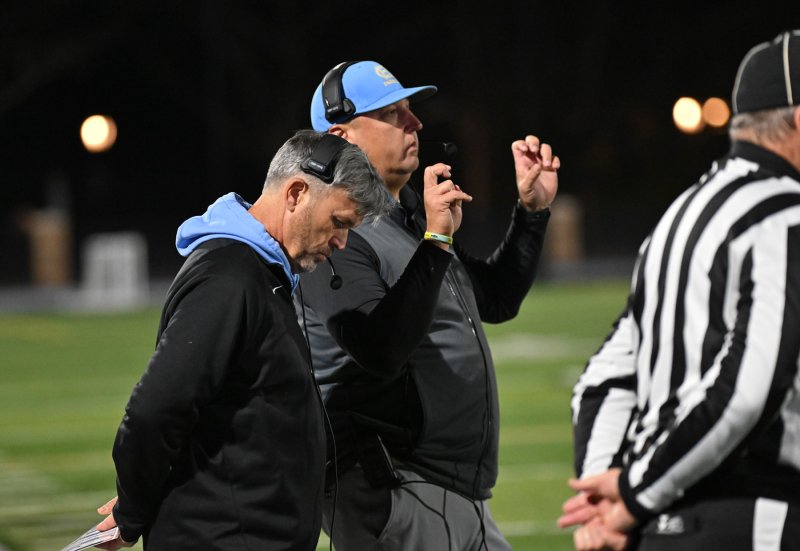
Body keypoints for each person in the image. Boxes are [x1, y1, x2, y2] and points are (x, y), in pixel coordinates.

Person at [299, 60, 560, 550]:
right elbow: (379, 348)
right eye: (392, 113)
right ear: (343, 135)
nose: (415, 122)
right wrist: (437, 238)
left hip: (442, 489)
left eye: (410, 109)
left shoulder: (405, 219)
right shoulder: (333, 231)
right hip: (395, 487)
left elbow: (495, 299)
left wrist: (532, 212)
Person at [90, 129, 390, 550]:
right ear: (296, 193)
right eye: (339, 223)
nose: (341, 243)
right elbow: (154, 411)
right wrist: (132, 511)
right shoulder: (230, 278)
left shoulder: (258, 273)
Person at [559, 30, 800, 550]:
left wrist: (605, 505)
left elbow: (604, 378)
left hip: (659, 532)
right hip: (756, 518)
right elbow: (746, 390)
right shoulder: (786, 216)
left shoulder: (677, 218)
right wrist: (634, 492)